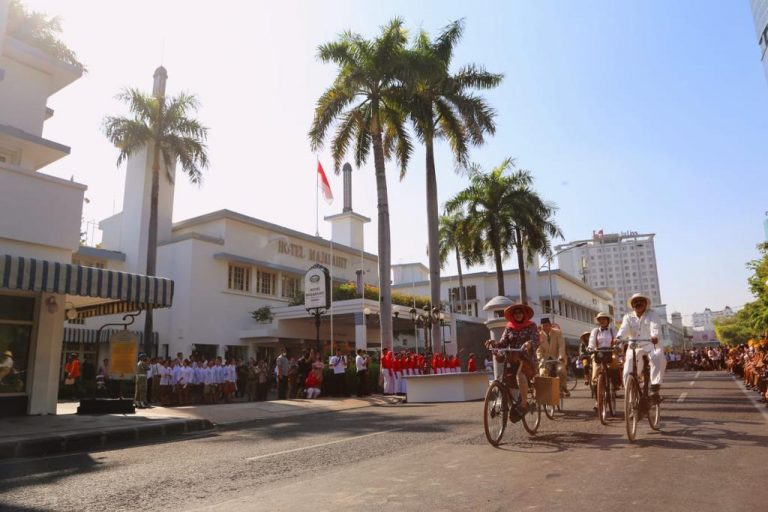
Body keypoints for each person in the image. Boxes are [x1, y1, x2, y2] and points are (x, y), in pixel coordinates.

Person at [485, 303, 538, 410]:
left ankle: (524, 403)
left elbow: (535, 340)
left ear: (524, 314)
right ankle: (508, 404)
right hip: (512, 357)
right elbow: (503, 343)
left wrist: (529, 343)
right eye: (516, 313)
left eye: (520, 312)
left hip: (527, 358)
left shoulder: (531, 325)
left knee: (520, 375)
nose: (518, 315)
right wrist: (493, 343)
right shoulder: (509, 327)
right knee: (504, 378)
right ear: (513, 315)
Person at [616, 292, 667, 402]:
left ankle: (655, 387)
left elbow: (655, 326)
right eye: (635, 302)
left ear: (645, 304)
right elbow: (623, 330)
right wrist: (618, 338)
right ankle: (631, 399)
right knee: (627, 371)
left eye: (640, 302)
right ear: (632, 305)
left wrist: (654, 336)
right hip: (635, 346)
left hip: (651, 344)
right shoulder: (628, 317)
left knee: (657, 356)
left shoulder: (652, 314)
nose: (638, 304)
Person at [537, 317, 569, 397]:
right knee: (542, 373)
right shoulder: (539, 335)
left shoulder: (558, 332)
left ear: (550, 325)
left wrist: (561, 356)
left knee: (561, 371)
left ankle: (563, 388)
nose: (545, 327)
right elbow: (538, 349)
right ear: (541, 327)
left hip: (557, 358)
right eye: (543, 326)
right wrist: (539, 358)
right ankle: (546, 393)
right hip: (545, 360)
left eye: (547, 325)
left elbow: (561, 346)